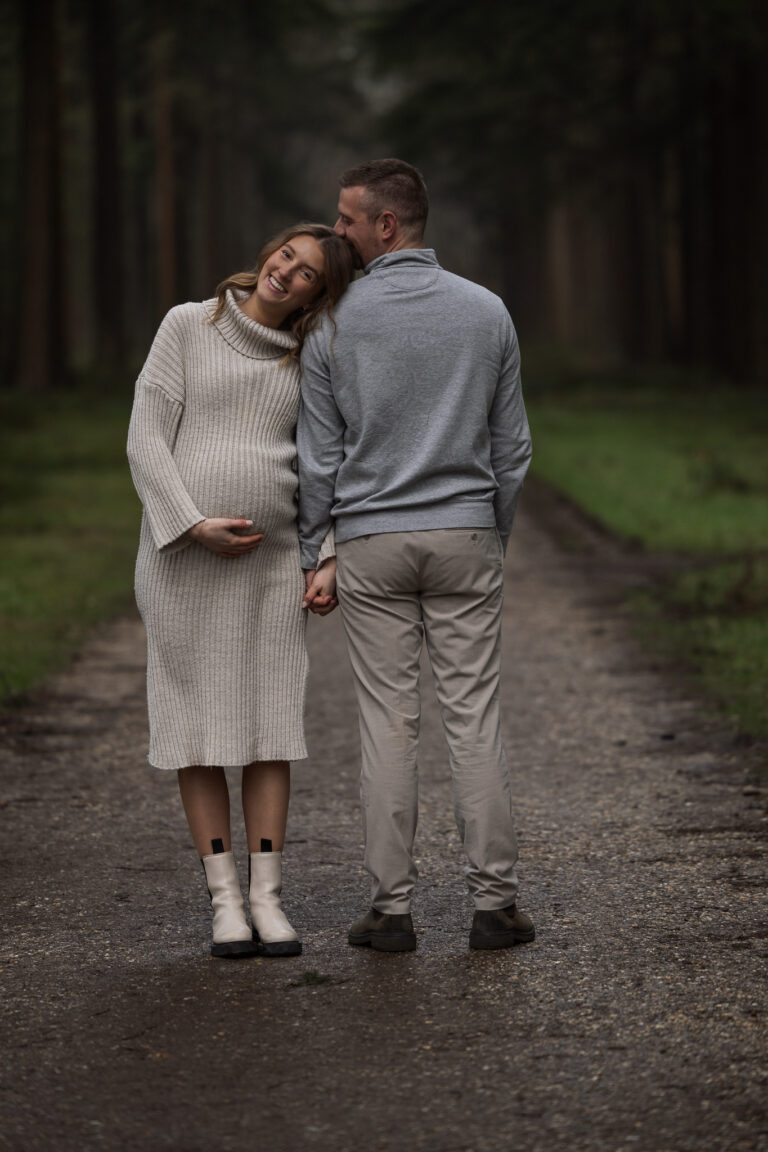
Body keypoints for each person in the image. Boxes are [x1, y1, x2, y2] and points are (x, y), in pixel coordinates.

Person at [298, 160, 535, 952]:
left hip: (372, 542)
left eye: (347, 219)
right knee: (474, 719)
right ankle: (495, 907)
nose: (337, 232)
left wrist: (315, 550)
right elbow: (513, 449)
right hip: (466, 534)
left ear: (387, 226)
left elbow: (319, 460)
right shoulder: (487, 311)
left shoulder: (333, 322)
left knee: (388, 724)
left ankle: (391, 912)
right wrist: (488, 531)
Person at [127, 223, 355, 958]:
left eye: (309, 273)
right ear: (269, 254)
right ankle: (224, 901)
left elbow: (337, 461)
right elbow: (146, 436)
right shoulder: (189, 325)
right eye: (287, 255)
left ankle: (268, 898)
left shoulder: (309, 357)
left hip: (270, 566)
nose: (288, 272)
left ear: (320, 296)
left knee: (267, 728)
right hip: (182, 562)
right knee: (197, 730)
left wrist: (329, 553)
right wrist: (192, 524)